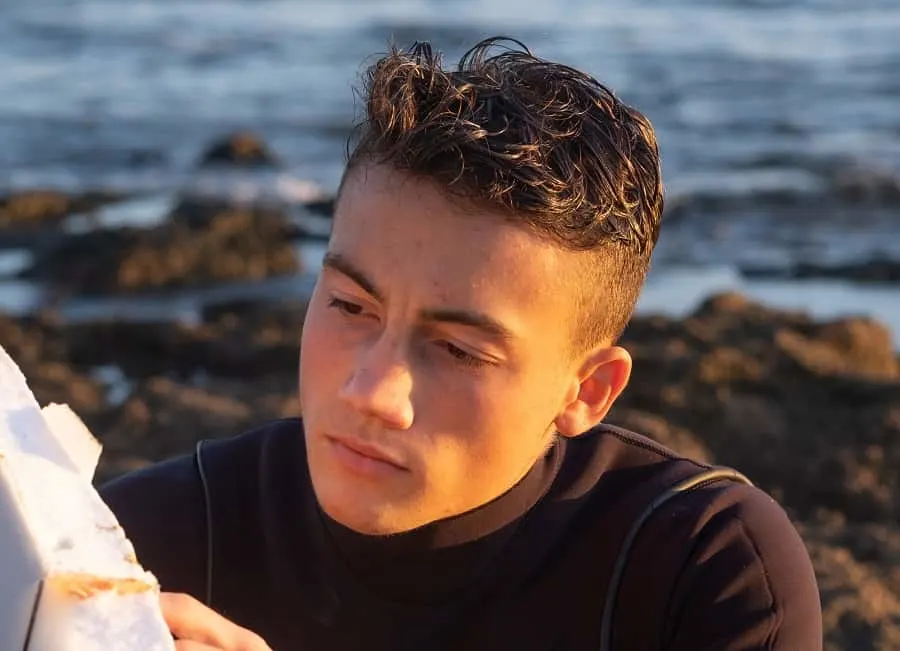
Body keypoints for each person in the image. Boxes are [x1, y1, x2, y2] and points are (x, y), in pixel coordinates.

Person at [100, 37, 822, 650]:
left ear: (587, 390)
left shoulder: (700, 568)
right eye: (351, 305)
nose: (371, 391)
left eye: (457, 350)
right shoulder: (135, 548)